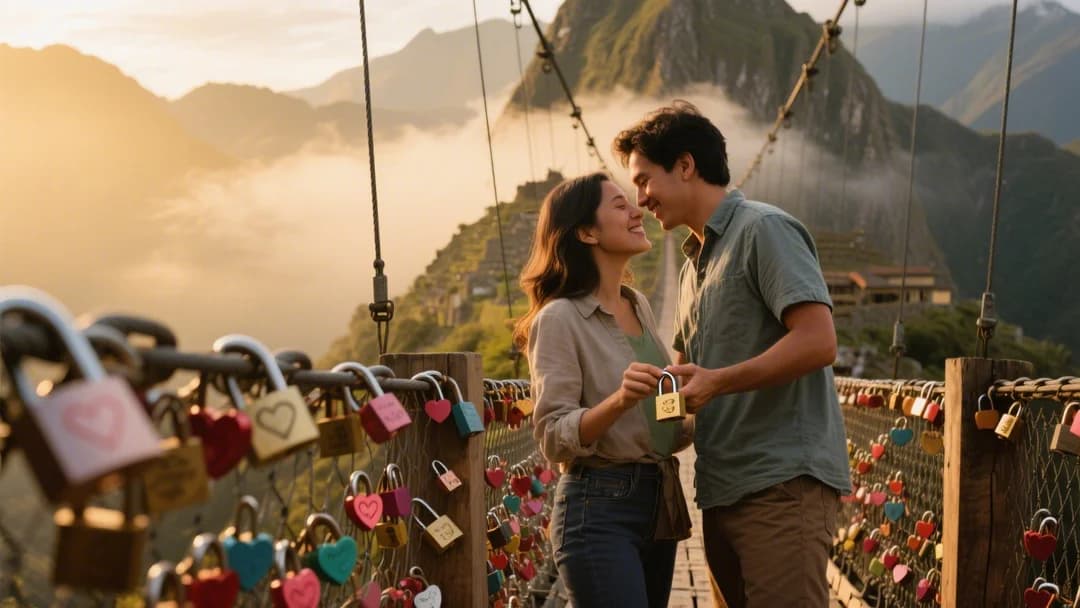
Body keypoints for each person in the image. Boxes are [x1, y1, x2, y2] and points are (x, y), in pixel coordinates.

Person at [613, 101, 851, 608]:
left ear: (685, 165)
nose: (640, 199)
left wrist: (718, 381)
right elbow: (684, 382)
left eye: (644, 180)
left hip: (782, 485)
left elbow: (818, 341)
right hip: (720, 490)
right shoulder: (690, 269)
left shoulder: (764, 230)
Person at [516, 172, 694, 608]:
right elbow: (553, 437)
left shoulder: (639, 304)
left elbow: (659, 426)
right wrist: (619, 400)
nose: (638, 210)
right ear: (586, 233)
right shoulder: (558, 318)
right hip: (598, 510)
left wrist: (709, 401)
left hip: (661, 500)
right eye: (619, 205)